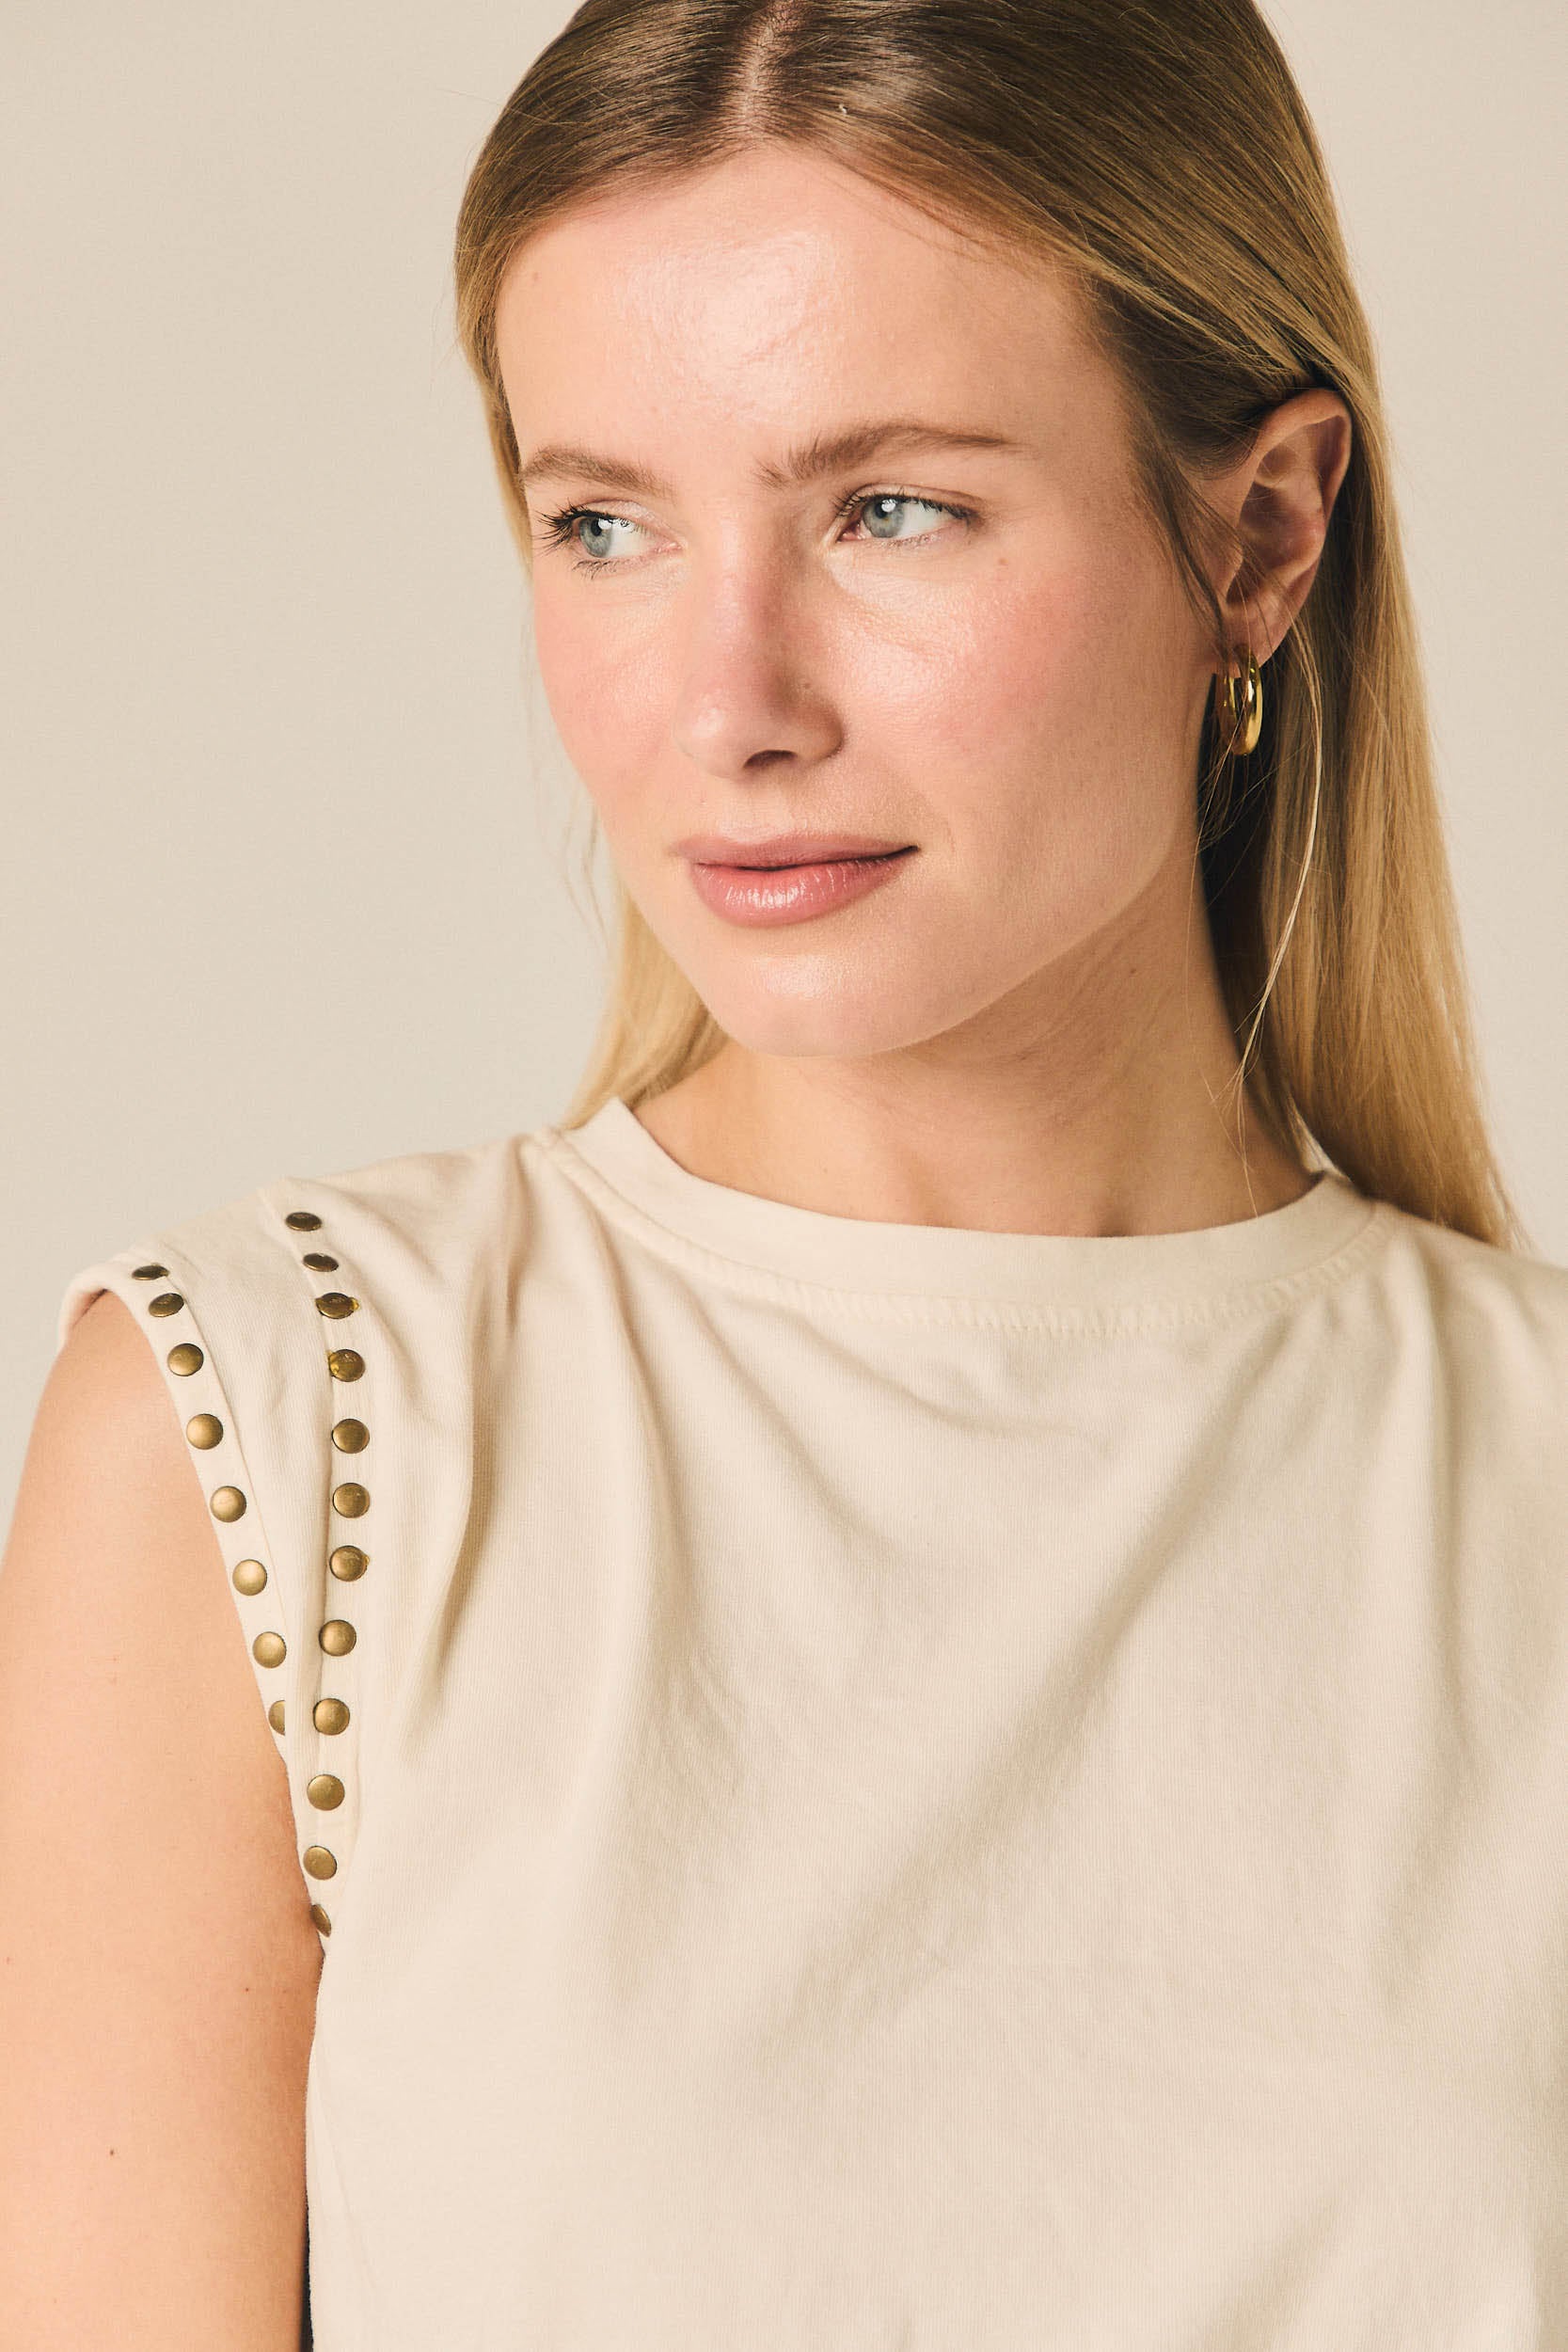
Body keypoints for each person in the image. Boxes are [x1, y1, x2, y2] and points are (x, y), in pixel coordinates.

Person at [3, 0, 1565, 2344]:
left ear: (1262, 533)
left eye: (890, 508)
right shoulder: (290, 1430)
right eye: (604, 523)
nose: (731, 699)